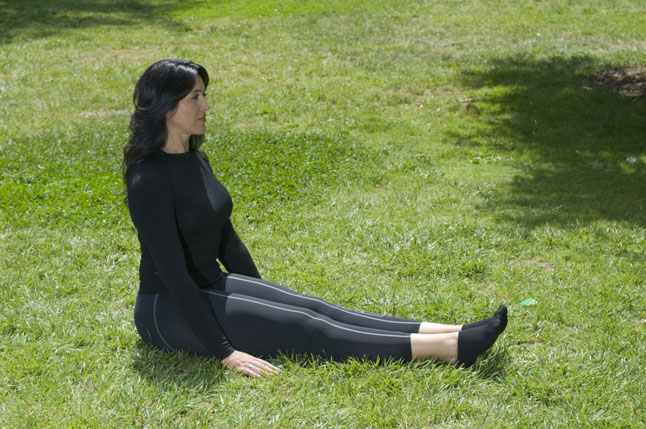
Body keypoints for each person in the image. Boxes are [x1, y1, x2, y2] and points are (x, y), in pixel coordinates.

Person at [123, 59, 507, 378]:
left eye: (204, 95)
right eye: (195, 97)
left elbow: (228, 241)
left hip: (212, 285)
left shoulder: (195, 159)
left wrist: (267, 302)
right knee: (308, 327)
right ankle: (450, 350)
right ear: (167, 107)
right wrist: (226, 352)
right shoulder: (147, 179)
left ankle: (451, 331)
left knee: (314, 308)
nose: (206, 105)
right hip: (167, 310)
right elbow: (173, 276)